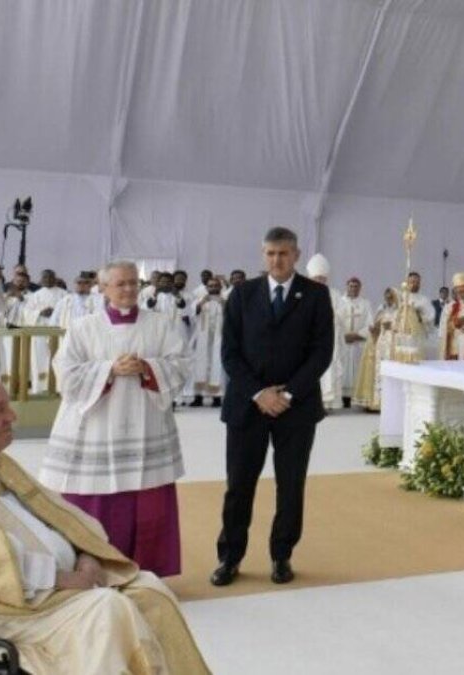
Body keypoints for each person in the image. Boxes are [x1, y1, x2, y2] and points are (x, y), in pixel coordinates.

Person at [0, 373, 209, 674]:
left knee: (151, 593)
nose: (12, 416)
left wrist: (86, 557)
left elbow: (59, 516)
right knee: (106, 611)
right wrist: (64, 579)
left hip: (62, 583)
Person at [39, 260, 192, 577]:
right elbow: (65, 375)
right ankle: (95, 568)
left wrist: (148, 368)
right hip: (97, 428)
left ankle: (147, 569)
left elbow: (181, 364)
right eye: (120, 284)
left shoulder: (159, 324)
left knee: (147, 500)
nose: (128, 290)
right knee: (96, 499)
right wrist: (109, 369)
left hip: (145, 423)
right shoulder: (84, 327)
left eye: (133, 283)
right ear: (103, 288)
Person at [212, 226, 334, 587]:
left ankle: (282, 555)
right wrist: (259, 394)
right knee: (239, 486)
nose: (276, 260)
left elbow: (321, 352)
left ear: (296, 255)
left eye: (283, 253)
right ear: (262, 255)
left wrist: (288, 394)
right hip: (248, 407)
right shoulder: (243, 294)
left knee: (290, 485)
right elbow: (229, 353)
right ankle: (230, 557)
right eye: (270, 254)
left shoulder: (314, 295)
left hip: (296, 410)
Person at [306, 254, 345, 411]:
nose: (319, 281)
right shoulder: (305, 293)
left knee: (329, 368)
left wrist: (330, 319)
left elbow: (342, 314)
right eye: (316, 278)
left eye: (322, 278)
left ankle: (327, 403)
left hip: (330, 337)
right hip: (309, 338)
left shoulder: (334, 294)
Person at [353, 287, 399, 411]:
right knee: (378, 373)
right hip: (380, 344)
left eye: (391, 297)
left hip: (393, 345)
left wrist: (393, 326)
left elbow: (406, 328)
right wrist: (374, 330)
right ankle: (375, 403)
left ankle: (389, 403)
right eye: (386, 297)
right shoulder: (381, 309)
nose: (388, 299)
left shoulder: (400, 312)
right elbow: (376, 325)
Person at [24, 270, 67, 394]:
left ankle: (58, 385)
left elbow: (68, 312)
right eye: (45, 277)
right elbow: (26, 313)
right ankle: (40, 386)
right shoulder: (35, 295)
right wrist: (40, 312)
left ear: (55, 278)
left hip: (58, 331)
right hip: (40, 331)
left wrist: (56, 312)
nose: (47, 279)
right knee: (40, 358)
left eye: (50, 277)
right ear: (41, 279)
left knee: (58, 357)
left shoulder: (64, 295)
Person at [190, 276, 226, 407]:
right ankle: (198, 396)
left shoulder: (226, 300)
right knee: (200, 365)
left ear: (220, 287)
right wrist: (202, 303)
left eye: (216, 285)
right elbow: (193, 315)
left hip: (219, 337)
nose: (213, 288)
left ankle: (217, 397)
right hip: (202, 338)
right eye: (210, 286)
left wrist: (223, 303)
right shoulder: (199, 300)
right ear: (207, 288)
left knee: (218, 365)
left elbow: (232, 316)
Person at [340, 277, 372, 408]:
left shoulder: (365, 304)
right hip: (342, 343)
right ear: (347, 286)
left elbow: (370, 323)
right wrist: (343, 336)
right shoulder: (339, 303)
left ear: (360, 288)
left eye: (356, 286)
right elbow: (334, 322)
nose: (353, 288)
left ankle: (357, 397)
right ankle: (342, 397)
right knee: (342, 370)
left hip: (358, 343)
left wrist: (357, 335)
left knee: (357, 370)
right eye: (351, 286)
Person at [404, 272, 436, 357]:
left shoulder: (424, 300)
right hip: (404, 334)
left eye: (417, 282)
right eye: (412, 282)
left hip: (418, 335)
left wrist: (420, 317)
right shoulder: (402, 298)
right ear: (407, 282)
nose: (415, 284)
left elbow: (431, 316)